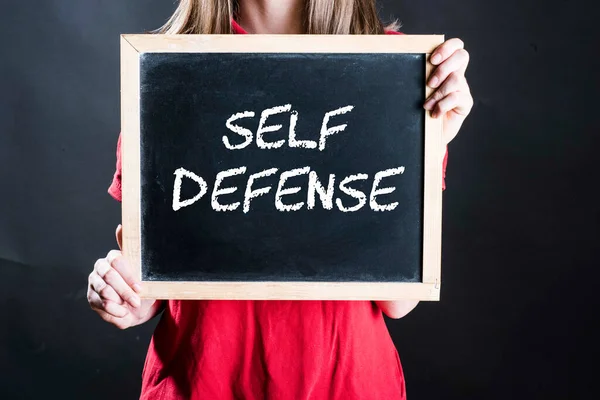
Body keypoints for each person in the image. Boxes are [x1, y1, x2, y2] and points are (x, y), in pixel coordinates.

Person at [87, 1, 473, 398]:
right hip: (201, 383)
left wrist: (427, 141)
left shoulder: (396, 71)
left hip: (344, 385)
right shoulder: (165, 71)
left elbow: (398, 298)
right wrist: (124, 295)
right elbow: (157, 272)